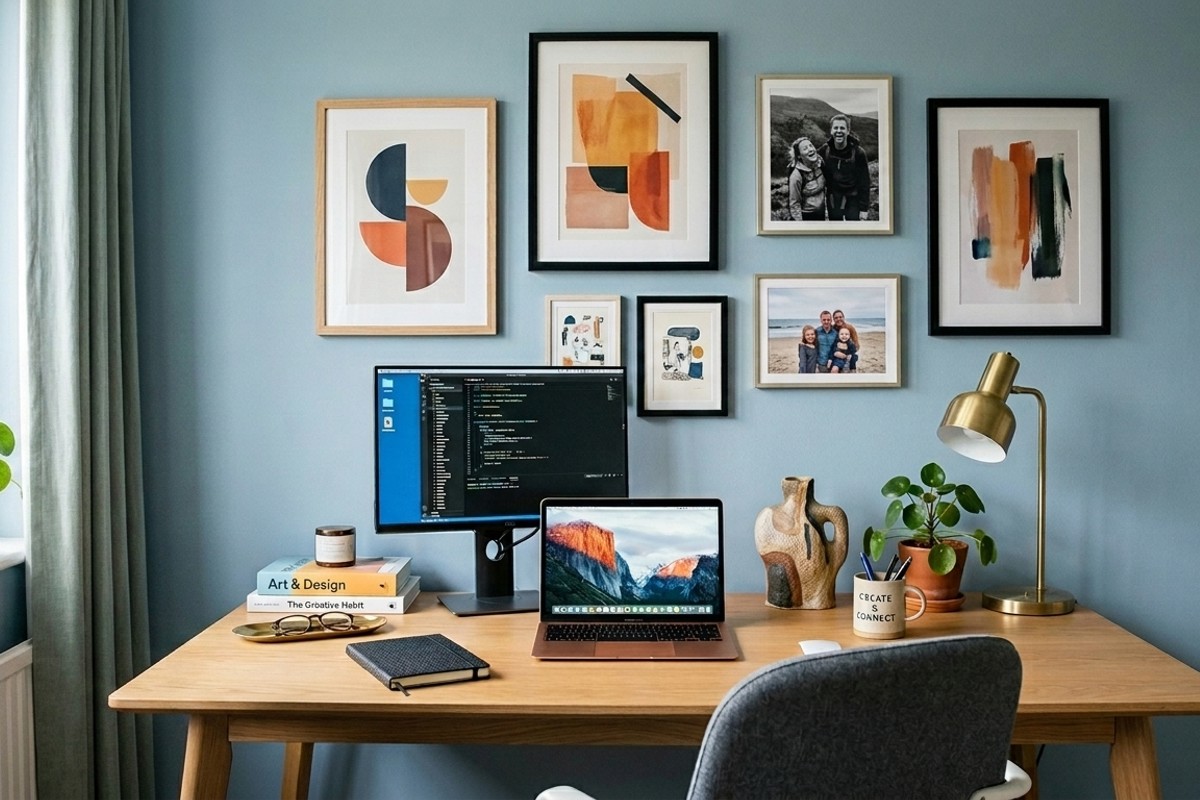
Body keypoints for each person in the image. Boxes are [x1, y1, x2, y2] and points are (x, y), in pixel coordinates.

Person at [818, 114, 872, 221]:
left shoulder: (858, 153)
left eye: (842, 128)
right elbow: (810, 160)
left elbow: (864, 182)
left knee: (853, 232)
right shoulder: (825, 150)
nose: (839, 131)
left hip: (853, 200)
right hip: (833, 199)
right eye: (836, 128)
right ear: (831, 131)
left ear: (848, 131)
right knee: (836, 231)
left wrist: (863, 209)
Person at [787, 137, 826, 221]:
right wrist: (801, 226)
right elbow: (794, 204)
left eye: (811, 146)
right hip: (807, 216)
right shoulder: (796, 176)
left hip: (822, 213)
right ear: (799, 156)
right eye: (805, 148)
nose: (810, 149)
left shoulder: (821, 163)